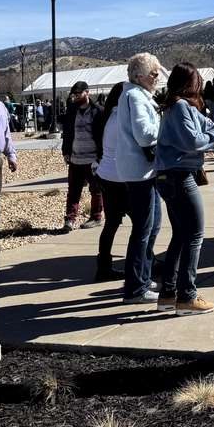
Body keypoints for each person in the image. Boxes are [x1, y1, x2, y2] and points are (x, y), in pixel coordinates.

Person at [155, 63, 214, 316]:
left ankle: (168, 294)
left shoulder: (179, 108)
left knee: (180, 235)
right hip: (179, 177)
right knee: (195, 235)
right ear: (191, 83)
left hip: (168, 177)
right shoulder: (181, 107)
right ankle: (187, 296)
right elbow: (194, 141)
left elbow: (211, 128)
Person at [115, 52, 165, 304]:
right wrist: (164, 126)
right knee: (144, 229)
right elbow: (145, 135)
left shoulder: (135, 95)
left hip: (142, 170)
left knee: (152, 225)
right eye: (153, 74)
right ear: (139, 77)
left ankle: (141, 279)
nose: (157, 78)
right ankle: (135, 286)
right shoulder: (135, 96)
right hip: (139, 172)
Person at [93, 81, 128, 282]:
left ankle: (103, 266)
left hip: (106, 175)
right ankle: (143, 262)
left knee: (111, 224)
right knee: (145, 224)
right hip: (121, 177)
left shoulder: (107, 116)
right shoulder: (121, 117)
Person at [61, 81, 104, 232]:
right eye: (74, 94)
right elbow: (67, 132)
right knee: (73, 190)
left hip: (93, 159)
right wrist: (66, 152)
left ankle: (96, 216)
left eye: (79, 93)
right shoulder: (72, 110)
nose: (76, 96)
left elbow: (102, 135)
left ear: (87, 92)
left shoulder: (98, 111)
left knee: (96, 189)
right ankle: (70, 219)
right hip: (75, 158)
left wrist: (100, 157)